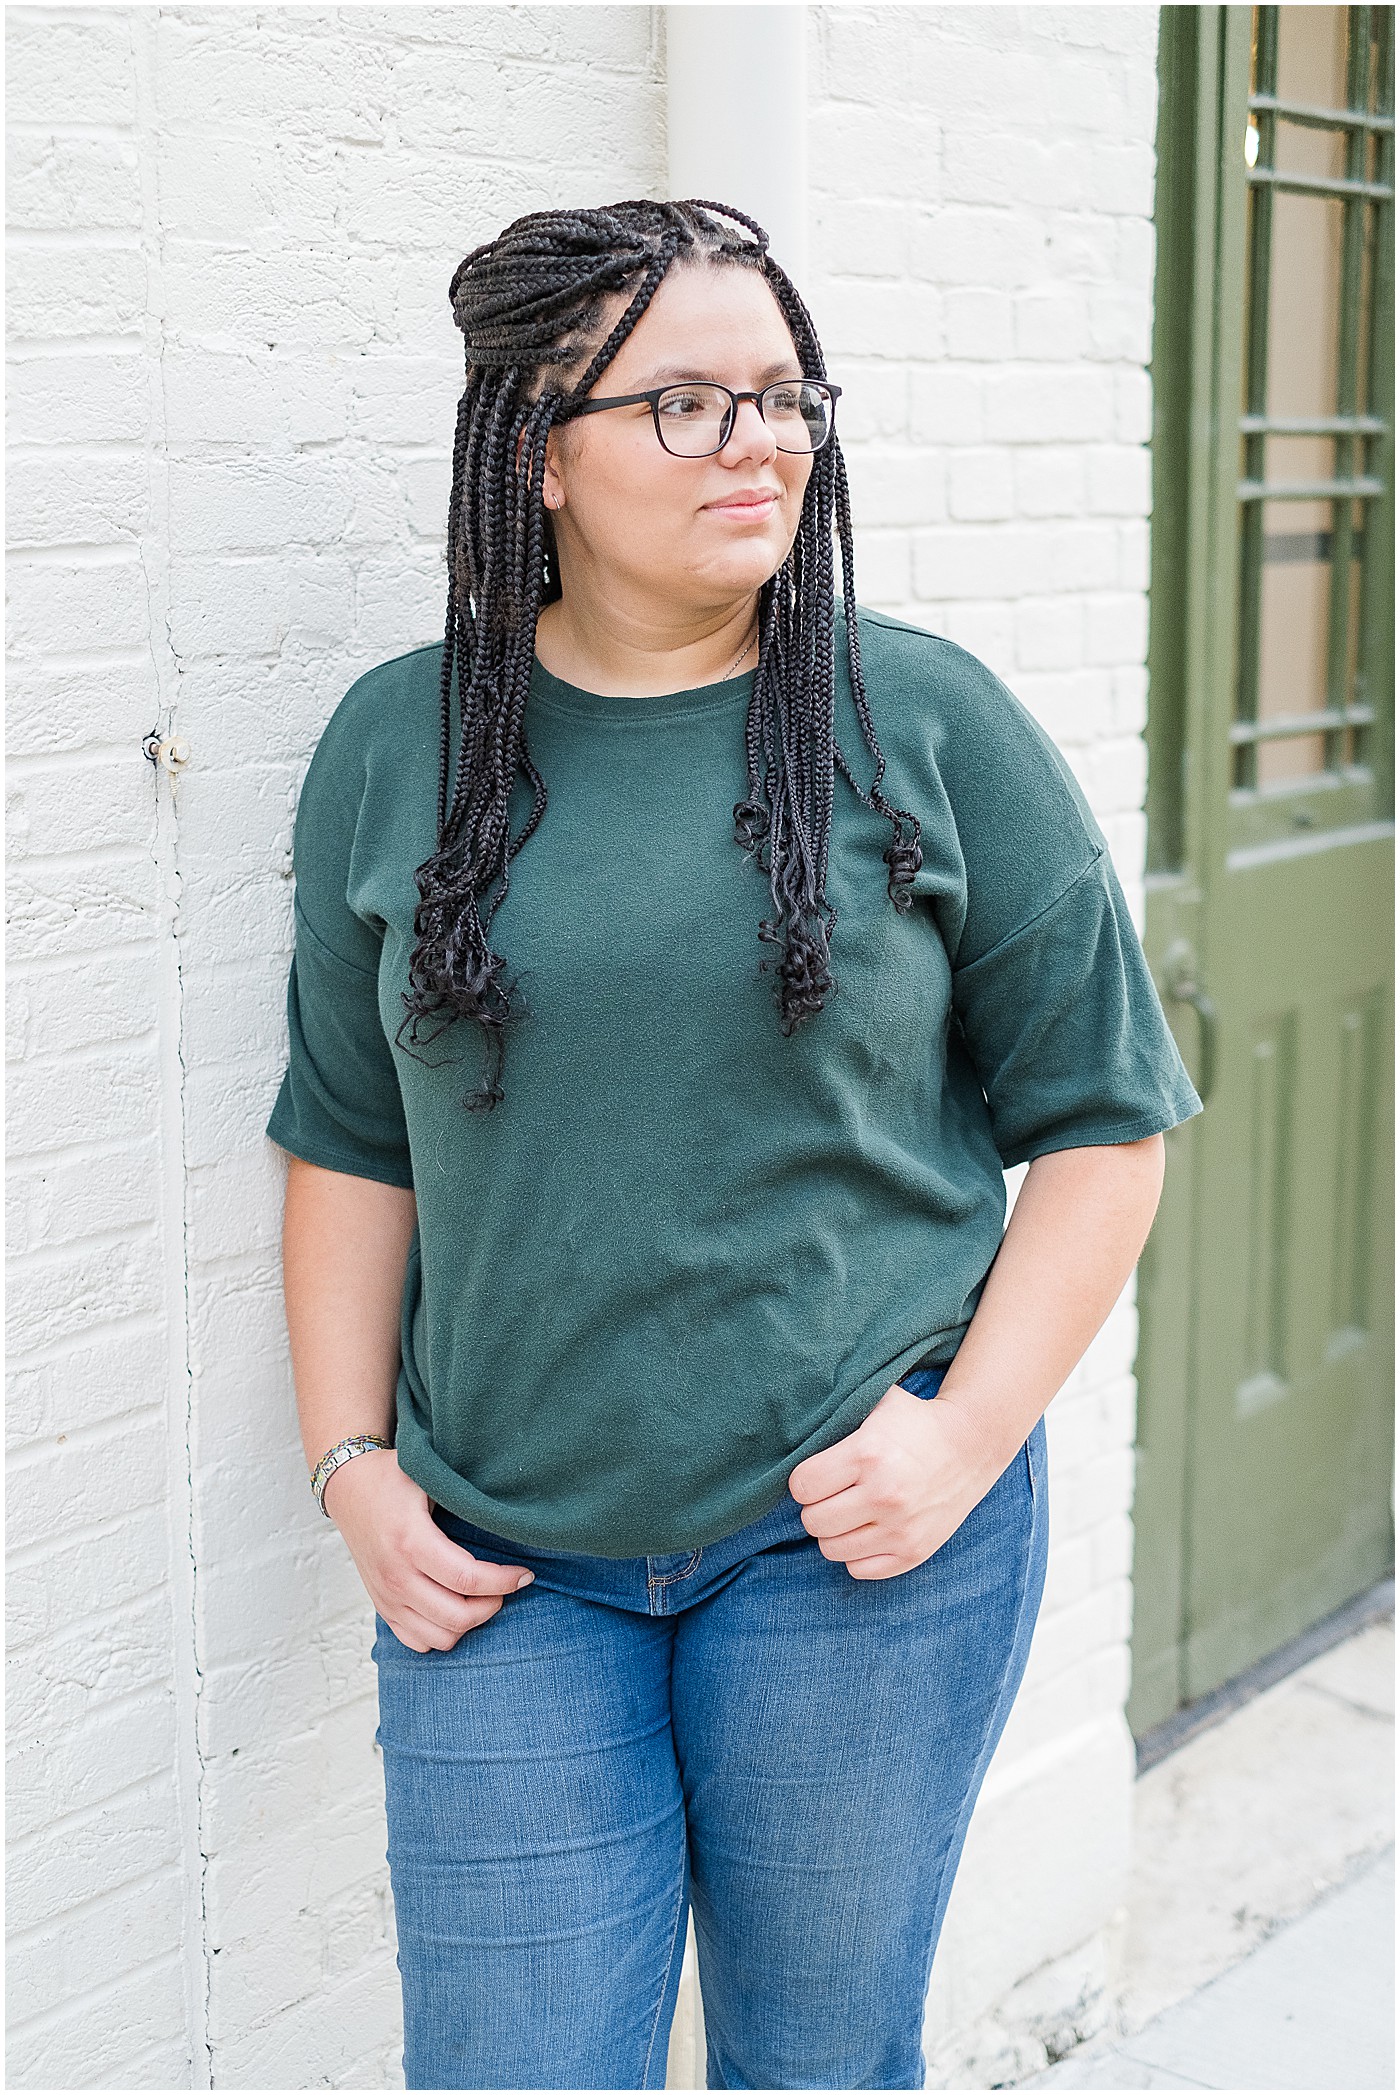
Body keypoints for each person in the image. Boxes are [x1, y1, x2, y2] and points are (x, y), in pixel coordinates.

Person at [266, 198, 1203, 2092]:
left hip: (851, 1557)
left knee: (815, 2064)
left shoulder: (915, 721)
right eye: (687, 402)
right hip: (499, 1555)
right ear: (538, 450)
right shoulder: (401, 743)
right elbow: (348, 1134)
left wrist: (962, 1438)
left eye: (783, 396)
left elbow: (1106, 1127)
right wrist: (350, 1460)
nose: (762, 441)